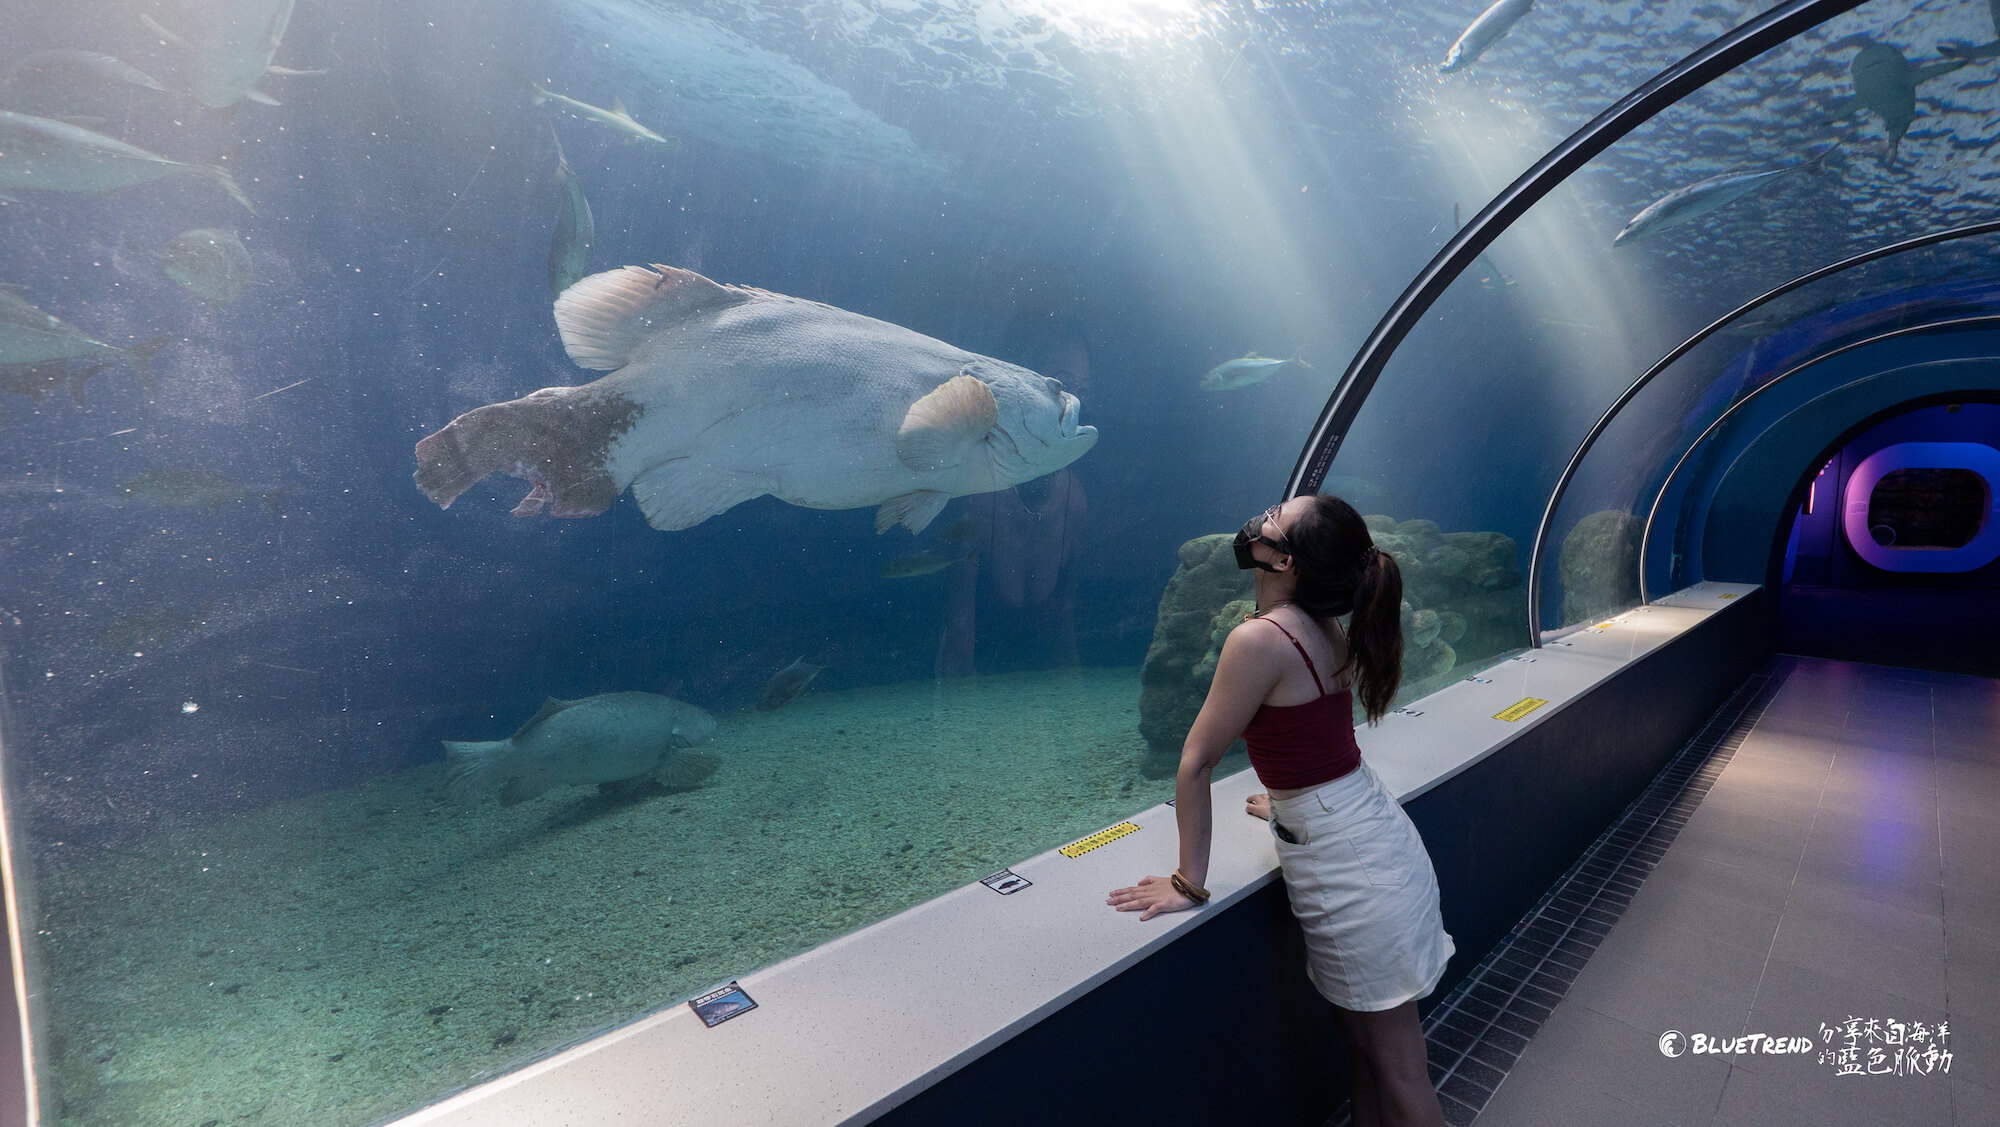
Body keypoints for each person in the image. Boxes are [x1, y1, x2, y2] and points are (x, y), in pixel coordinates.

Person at [1107, 494, 1454, 1127]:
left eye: (1271, 518)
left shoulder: (1259, 638)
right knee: (1365, 1050)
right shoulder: (1323, 620)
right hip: (1364, 833)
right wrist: (1288, 798)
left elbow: (1196, 760)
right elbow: (1317, 735)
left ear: (1286, 560)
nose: (1257, 521)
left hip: (1355, 871)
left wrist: (1189, 880)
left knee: (1401, 1070)